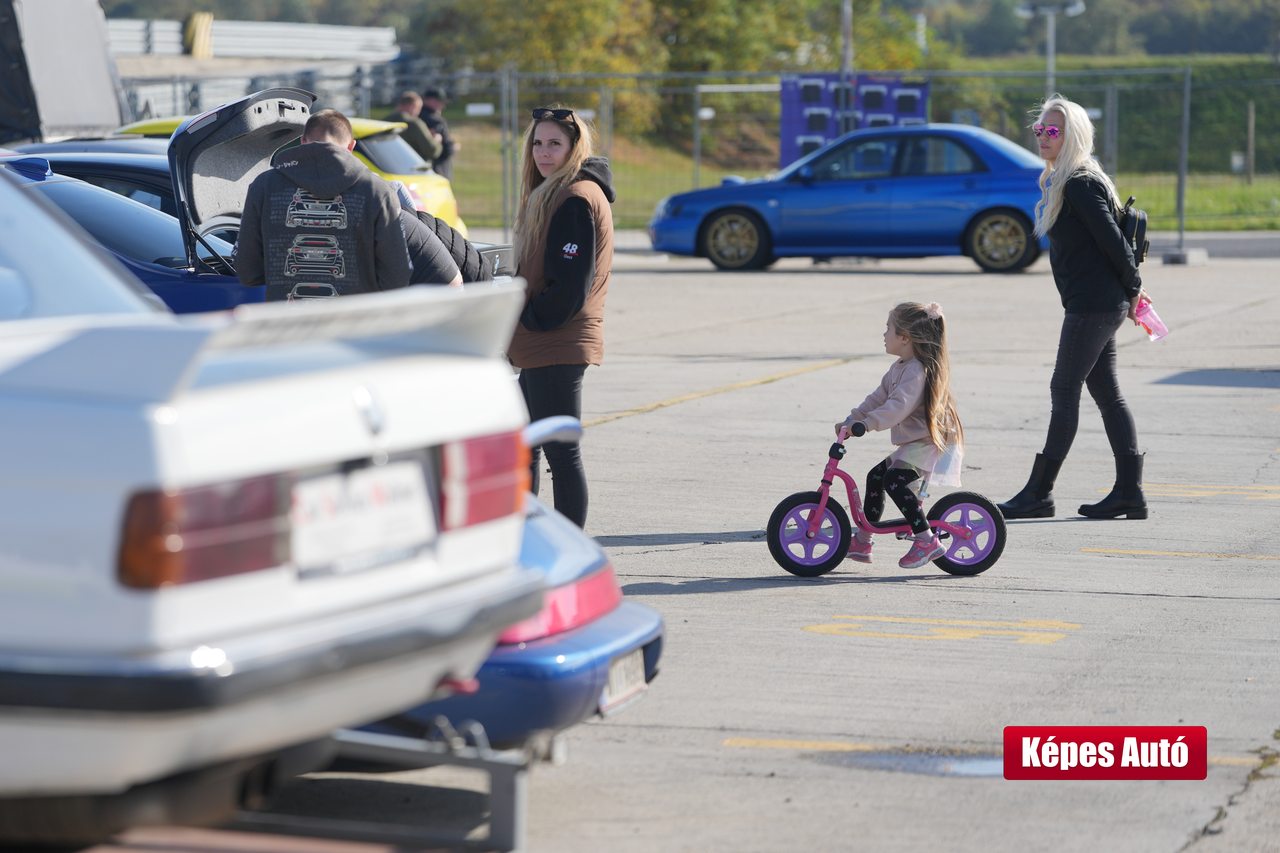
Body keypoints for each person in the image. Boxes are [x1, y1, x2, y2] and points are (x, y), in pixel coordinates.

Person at [997, 95, 1151, 521]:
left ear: (1073, 135)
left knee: (1064, 391)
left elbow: (1114, 243)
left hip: (1094, 307)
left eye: (1053, 131)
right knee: (1108, 395)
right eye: (1040, 130)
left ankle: (1038, 494)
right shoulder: (1066, 181)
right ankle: (1129, 494)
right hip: (1095, 303)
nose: (1044, 137)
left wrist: (1135, 290)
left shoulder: (1080, 182)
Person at [506, 106, 616, 529]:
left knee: (560, 453)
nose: (544, 152)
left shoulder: (573, 199)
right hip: (542, 342)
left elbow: (571, 284)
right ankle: (526, 537)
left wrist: (530, 317)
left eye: (555, 143)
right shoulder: (555, 193)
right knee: (525, 445)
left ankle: (567, 549)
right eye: (537, 143)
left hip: (557, 340)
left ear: (574, 148)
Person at [835, 302, 965, 569]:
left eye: (888, 329)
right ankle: (862, 540)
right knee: (876, 476)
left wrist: (867, 425)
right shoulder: (899, 367)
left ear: (904, 338)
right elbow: (877, 398)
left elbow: (897, 407)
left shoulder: (916, 371)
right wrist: (853, 419)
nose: (884, 334)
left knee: (894, 481)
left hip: (926, 444)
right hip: (912, 444)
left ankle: (926, 540)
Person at [237, 109, 410, 300]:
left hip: (287, 326)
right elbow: (397, 277)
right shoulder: (379, 191)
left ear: (303, 141)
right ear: (351, 146)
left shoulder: (264, 186)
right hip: (357, 324)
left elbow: (247, 272)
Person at [382, 91, 443, 166]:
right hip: (412, 170)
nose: (418, 113)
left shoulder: (384, 122)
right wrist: (436, 140)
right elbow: (432, 150)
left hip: (388, 167)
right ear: (412, 106)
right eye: (418, 109)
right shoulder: (414, 123)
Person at [420, 87, 458, 180]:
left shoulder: (416, 116)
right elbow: (448, 148)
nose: (443, 106)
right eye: (440, 102)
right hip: (438, 168)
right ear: (431, 100)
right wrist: (454, 146)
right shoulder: (435, 120)